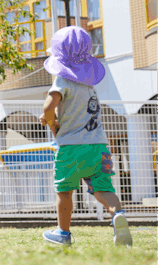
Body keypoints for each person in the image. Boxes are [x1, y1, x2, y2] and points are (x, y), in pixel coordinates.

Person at [40, 26, 132, 247]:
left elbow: (48, 107)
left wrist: (50, 121)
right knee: (103, 188)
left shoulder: (62, 81)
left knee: (65, 191)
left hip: (71, 147)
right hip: (99, 146)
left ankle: (63, 233)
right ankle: (117, 214)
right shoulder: (89, 85)